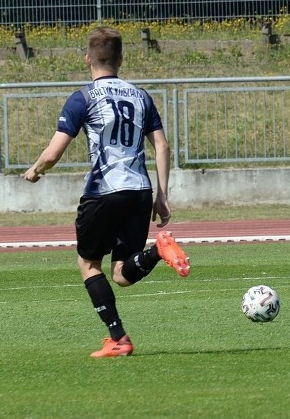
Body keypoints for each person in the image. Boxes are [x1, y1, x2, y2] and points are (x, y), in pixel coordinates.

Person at [23, 27, 191, 357]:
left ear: (88, 59)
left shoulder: (83, 97)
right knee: (122, 274)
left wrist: (35, 170)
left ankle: (118, 338)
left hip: (104, 190)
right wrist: (162, 194)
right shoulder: (141, 96)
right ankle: (157, 251)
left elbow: (54, 152)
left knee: (89, 264)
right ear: (121, 60)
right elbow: (162, 146)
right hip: (140, 190)